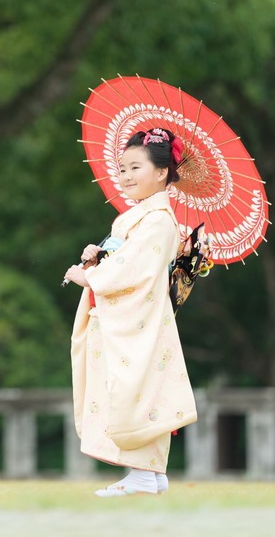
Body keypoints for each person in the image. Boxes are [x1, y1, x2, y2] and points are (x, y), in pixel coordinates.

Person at [62, 127, 198, 497]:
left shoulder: (157, 220)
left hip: (140, 320)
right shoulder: (142, 218)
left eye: (135, 167)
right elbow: (124, 258)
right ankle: (149, 474)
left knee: (134, 389)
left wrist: (88, 277)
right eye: (122, 169)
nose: (125, 176)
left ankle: (142, 473)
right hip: (137, 320)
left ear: (161, 172)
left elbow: (134, 272)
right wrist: (99, 256)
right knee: (138, 387)